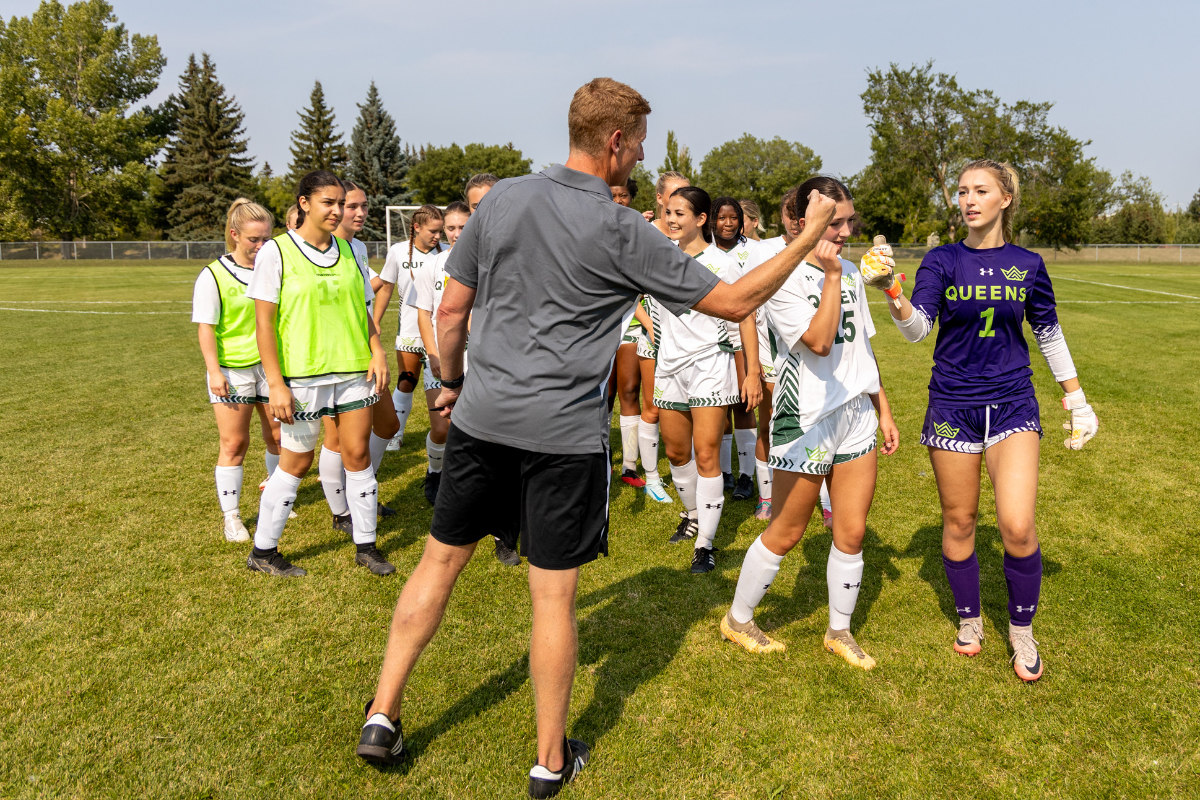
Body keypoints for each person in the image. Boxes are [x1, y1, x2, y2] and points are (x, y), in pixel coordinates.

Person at [356, 78, 837, 798]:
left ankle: (382, 715)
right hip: (562, 439)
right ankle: (550, 760)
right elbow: (735, 300)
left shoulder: (505, 198)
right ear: (616, 141)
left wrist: (452, 384)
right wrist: (807, 234)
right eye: (639, 141)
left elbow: (452, 314)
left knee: (437, 566)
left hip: (483, 422)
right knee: (552, 600)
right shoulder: (623, 230)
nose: (641, 154)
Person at [863, 159, 1098, 682]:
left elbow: (1049, 334)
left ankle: (1021, 630)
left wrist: (1076, 400)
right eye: (963, 191)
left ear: (1005, 199)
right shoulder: (942, 260)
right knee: (961, 521)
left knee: (1016, 526)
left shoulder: (1029, 263)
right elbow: (918, 330)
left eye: (980, 191)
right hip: (952, 405)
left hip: (1013, 404)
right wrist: (892, 292)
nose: (968, 200)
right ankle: (971, 620)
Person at [720, 177, 899, 671]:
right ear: (803, 222)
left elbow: (860, 344)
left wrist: (881, 406)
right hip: (806, 416)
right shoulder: (779, 275)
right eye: (834, 221)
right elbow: (819, 342)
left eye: (849, 221)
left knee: (853, 531)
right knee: (787, 530)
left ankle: (839, 631)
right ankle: (738, 619)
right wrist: (833, 276)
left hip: (856, 413)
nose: (844, 231)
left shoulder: (850, 272)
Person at [248, 170, 393, 577]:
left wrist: (376, 350)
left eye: (341, 203)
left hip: (352, 372)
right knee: (297, 461)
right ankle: (263, 552)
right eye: (327, 202)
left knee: (358, 454)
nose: (336, 211)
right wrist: (275, 383)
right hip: (301, 377)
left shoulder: (349, 251)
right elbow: (264, 324)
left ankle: (366, 546)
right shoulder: (276, 252)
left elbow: (363, 311)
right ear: (305, 204)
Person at [648, 187, 759, 576]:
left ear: (701, 219)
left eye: (681, 213)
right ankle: (693, 515)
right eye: (668, 212)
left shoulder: (720, 262)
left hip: (711, 364)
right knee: (677, 453)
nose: (672, 219)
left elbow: (744, 312)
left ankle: (705, 545)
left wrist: (753, 371)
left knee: (707, 453)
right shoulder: (660, 259)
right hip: (669, 366)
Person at [742, 188, 834, 526]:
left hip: (812, 357)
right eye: (788, 211)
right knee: (769, 428)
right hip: (772, 359)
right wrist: (753, 369)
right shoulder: (764, 251)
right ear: (780, 215)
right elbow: (746, 311)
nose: (795, 219)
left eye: (801, 211)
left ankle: (827, 502)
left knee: (823, 427)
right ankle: (768, 499)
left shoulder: (826, 250)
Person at [192, 198, 282, 542]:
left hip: (271, 367)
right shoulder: (214, 274)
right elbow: (206, 328)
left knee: (277, 436)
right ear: (234, 235)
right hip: (233, 371)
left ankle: (273, 499)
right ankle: (232, 518)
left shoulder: (274, 268)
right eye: (253, 240)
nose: (261, 247)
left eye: (266, 240)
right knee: (234, 443)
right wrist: (214, 372)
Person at [318, 180, 402, 535]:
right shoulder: (320, 249)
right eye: (352, 206)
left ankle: (360, 493)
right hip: (332, 359)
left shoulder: (360, 247)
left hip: (365, 352)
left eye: (363, 206)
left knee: (387, 425)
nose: (360, 213)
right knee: (336, 440)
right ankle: (341, 512)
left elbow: (366, 296)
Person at [409, 201, 471, 507]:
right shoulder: (433, 264)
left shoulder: (486, 262)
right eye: (451, 228)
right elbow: (424, 314)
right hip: (441, 357)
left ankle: (465, 481)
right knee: (441, 426)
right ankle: (435, 472)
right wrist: (432, 354)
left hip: (478, 359)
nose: (457, 234)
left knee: (473, 426)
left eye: (463, 226)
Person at [375, 206, 446, 451]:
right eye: (433, 231)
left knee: (444, 383)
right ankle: (396, 433)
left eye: (440, 231)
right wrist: (375, 320)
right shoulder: (397, 252)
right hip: (409, 331)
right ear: (416, 228)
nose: (438, 236)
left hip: (439, 334)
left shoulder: (446, 253)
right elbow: (386, 287)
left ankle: (445, 431)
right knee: (407, 381)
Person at [711, 196, 762, 501]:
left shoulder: (754, 251)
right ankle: (724, 472)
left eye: (734, 218)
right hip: (711, 339)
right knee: (719, 405)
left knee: (744, 404)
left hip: (745, 333)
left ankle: (746, 476)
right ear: (711, 220)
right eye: (722, 218)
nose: (728, 223)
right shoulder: (703, 250)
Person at [609, 176, 649, 490]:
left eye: (623, 195)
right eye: (613, 195)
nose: (619, 200)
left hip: (632, 323)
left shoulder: (641, 230)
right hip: (598, 324)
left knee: (629, 391)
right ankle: (597, 455)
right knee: (601, 395)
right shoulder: (591, 226)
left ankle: (629, 464)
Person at [649, 170, 689, 235]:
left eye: (687, 196)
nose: (682, 201)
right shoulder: (645, 233)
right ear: (660, 198)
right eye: (674, 195)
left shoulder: (697, 234)